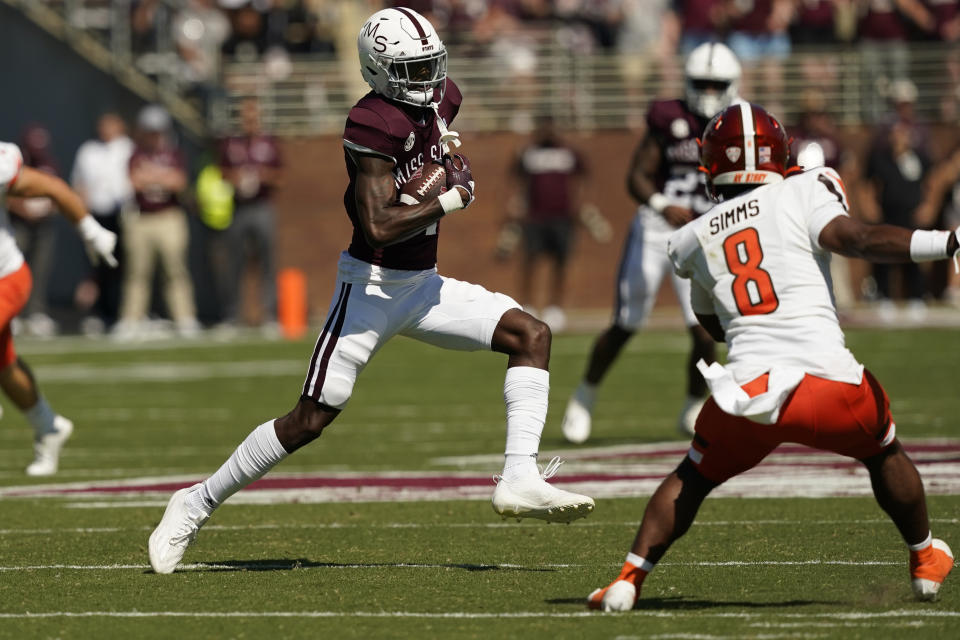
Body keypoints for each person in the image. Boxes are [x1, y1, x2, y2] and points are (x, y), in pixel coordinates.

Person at [148, 7, 595, 575]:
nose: (429, 81)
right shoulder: (371, 123)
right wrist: (448, 196)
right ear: (379, 71)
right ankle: (196, 501)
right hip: (372, 288)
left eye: (430, 66)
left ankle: (519, 476)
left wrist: (435, 160)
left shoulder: (438, 98)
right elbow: (378, 225)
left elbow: (438, 122)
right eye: (414, 69)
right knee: (311, 417)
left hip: (424, 285)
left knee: (530, 334)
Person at [587, 103, 956, 612]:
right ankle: (923, 561)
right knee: (882, 451)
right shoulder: (807, 187)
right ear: (779, 156)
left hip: (746, 395)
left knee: (691, 477)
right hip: (829, 386)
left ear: (710, 166)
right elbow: (859, 239)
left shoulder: (691, 236)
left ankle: (628, 579)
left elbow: (713, 326)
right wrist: (948, 242)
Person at [560, 42, 740, 444]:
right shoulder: (669, 117)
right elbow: (636, 177)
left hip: (705, 234)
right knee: (627, 321)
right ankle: (584, 395)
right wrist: (662, 203)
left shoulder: (739, 123)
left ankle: (694, 404)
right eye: (702, 83)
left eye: (716, 84)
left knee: (703, 329)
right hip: (657, 230)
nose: (709, 91)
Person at [0, 141, 118, 475]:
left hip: (5, 276)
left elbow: (51, 187)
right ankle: (48, 425)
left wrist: (90, 229)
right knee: (5, 366)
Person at [115, 104, 199, 339]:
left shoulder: (174, 154)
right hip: (141, 218)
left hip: (169, 216)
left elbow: (179, 182)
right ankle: (131, 319)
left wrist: (152, 177)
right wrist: (162, 178)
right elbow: (134, 182)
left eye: (157, 130)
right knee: (137, 272)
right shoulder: (136, 154)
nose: (153, 135)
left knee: (175, 269)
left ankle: (185, 318)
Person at [499, 115, 588, 332]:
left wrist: (581, 204)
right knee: (530, 261)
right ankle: (527, 306)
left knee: (561, 262)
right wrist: (514, 205)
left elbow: (584, 177)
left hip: (562, 218)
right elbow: (514, 180)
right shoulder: (528, 153)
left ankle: (554, 309)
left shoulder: (568, 152)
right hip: (534, 218)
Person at [215, 97, 282, 332]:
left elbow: (280, 175)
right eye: (246, 116)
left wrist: (262, 176)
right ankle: (232, 315)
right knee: (234, 262)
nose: (250, 121)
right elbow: (221, 172)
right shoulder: (231, 143)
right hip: (238, 207)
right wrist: (236, 179)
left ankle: (270, 315)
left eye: (254, 116)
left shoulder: (269, 142)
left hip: (262, 205)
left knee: (267, 261)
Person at [71, 112, 135, 332]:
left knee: (124, 265)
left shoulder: (128, 148)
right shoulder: (88, 151)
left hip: (124, 216)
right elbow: (78, 184)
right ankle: (101, 313)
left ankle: (123, 313)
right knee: (98, 267)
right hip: (96, 216)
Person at [6, 124, 61, 337]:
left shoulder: (50, 164)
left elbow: (60, 193)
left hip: (43, 225)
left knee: (40, 269)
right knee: (12, 269)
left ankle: (36, 312)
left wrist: (47, 208)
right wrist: (24, 208)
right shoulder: (13, 164)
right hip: (16, 225)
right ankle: (14, 314)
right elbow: (7, 195)